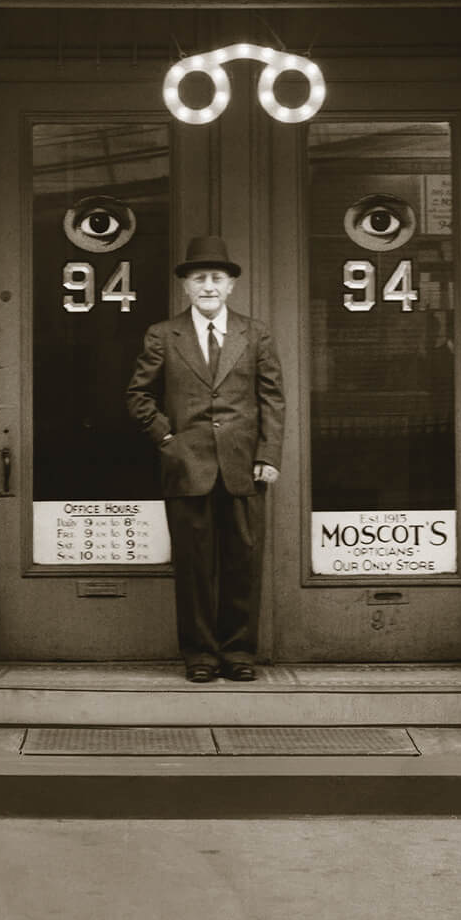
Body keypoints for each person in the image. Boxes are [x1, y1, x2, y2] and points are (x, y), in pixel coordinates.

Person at [127, 236, 285, 683]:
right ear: (186, 286)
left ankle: (239, 653)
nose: (209, 286)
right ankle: (199, 655)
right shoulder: (163, 334)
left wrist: (268, 454)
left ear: (231, 285)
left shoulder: (256, 334)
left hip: (244, 467)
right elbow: (138, 395)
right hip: (186, 467)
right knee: (194, 568)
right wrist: (167, 438)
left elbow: (272, 399)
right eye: (199, 279)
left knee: (243, 565)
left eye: (217, 278)